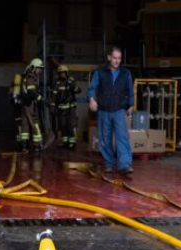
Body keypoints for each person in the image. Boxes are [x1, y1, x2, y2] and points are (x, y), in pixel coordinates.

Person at [88, 46, 134, 175]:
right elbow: (92, 88)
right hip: (103, 110)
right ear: (109, 57)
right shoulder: (100, 72)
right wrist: (92, 100)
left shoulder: (126, 73)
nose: (117, 61)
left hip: (119, 110)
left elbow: (130, 90)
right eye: (114, 58)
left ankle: (124, 165)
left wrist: (131, 105)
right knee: (104, 138)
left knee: (122, 137)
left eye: (119, 58)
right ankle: (109, 163)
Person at [16, 58, 45, 152]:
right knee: (35, 123)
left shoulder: (27, 75)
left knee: (25, 125)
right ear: (33, 67)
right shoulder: (31, 76)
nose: (40, 70)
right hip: (29, 105)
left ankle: (24, 145)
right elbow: (31, 91)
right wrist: (41, 99)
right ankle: (38, 145)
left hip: (24, 104)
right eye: (39, 68)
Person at [50, 65, 81, 149]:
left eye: (64, 73)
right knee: (63, 126)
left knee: (70, 125)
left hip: (70, 109)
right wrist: (52, 107)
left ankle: (72, 143)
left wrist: (73, 87)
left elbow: (78, 90)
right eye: (60, 73)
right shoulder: (57, 83)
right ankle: (65, 142)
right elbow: (54, 96)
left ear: (66, 73)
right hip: (61, 109)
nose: (62, 74)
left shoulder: (71, 81)